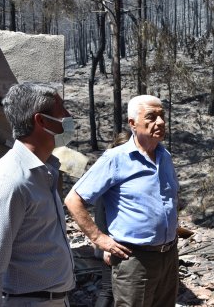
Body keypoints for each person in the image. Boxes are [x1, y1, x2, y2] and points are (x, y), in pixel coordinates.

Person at [65, 95, 180, 307]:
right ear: (132, 124)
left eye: (162, 116)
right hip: (135, 261)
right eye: (152, 117)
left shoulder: (165, 157)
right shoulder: (116, 159)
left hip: (169, 256)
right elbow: (74, 199)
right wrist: (100, 239)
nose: (161, 122)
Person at [0, 83, 76, 306]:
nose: (68, 116)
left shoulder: (44, 172)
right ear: (41, 121)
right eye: (62, 110)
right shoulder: (8, 183)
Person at [93, 131, 131, 307]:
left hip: (126, 245)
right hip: (111, 244)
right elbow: (100, 213)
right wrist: (105, 245)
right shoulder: (110, 174)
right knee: (108, 290)